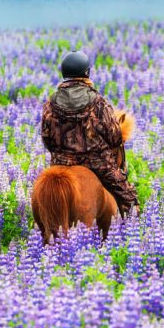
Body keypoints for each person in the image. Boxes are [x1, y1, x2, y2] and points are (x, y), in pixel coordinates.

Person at [40, 51, 138, 215]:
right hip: (97, 163)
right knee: (128, 197)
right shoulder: (98, 101)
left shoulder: (51, 102)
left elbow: (46, 138)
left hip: (60, 162)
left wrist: (61, 152)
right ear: (86, 72)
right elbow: (114, 137)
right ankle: (132, 220)